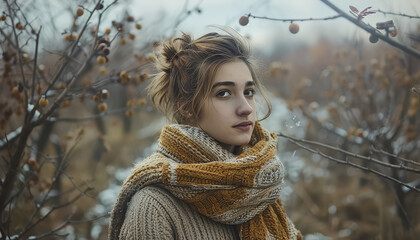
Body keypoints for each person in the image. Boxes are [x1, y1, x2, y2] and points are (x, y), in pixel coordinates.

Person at [108, 26, 302, 240]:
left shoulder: (259, 186)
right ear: (187, 107)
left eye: (248, 92)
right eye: (224, 93)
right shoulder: (153, 207)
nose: (246, 107)